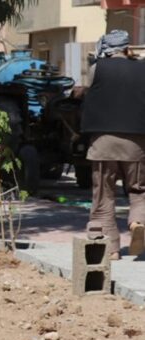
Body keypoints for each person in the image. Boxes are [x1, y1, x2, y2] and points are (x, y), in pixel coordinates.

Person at [81, 30, 145, 260]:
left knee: (103, 195)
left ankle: (111, 249)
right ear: (127, 49)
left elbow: (87, 92)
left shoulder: (97, 68)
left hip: (103, 142)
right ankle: (138, 222)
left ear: (106, 50)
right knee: (138, 190)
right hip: (136, 143)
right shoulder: (142, 68)